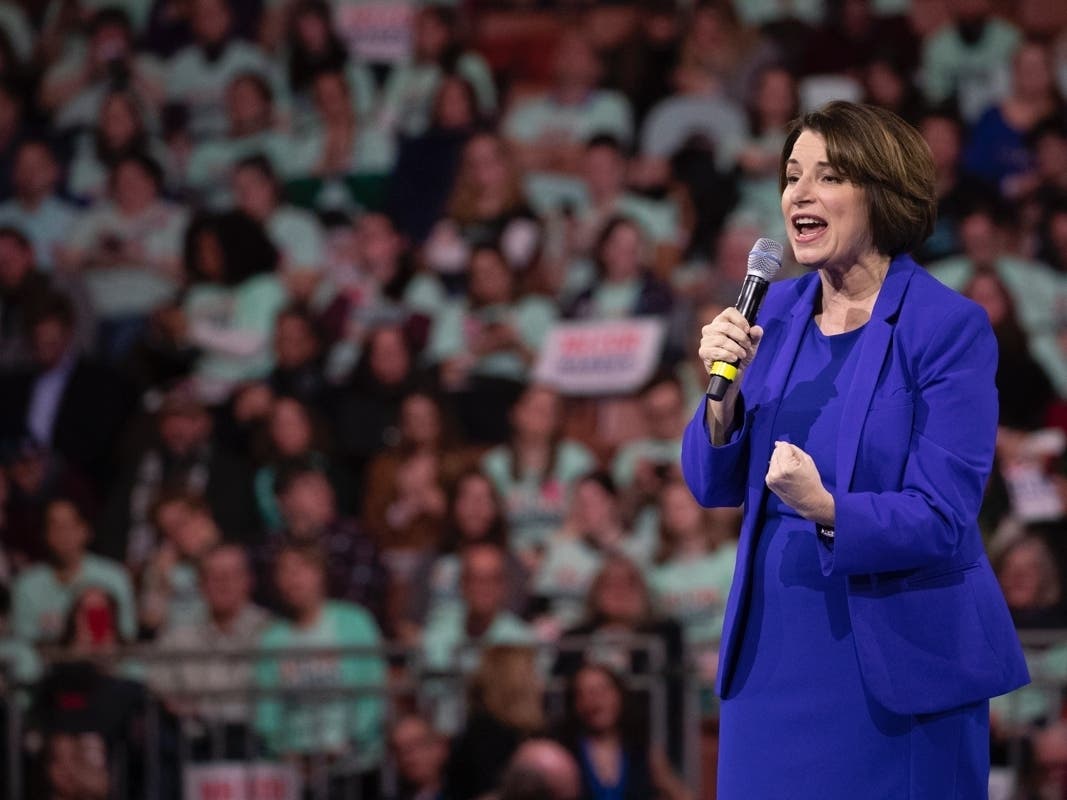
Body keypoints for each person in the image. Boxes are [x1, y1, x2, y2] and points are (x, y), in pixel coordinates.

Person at [682, 100, 1029, 797]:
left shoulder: (946, 327)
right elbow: (711, 484)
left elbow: (942, 514)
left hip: (897, 665)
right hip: (771, 656)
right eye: (790, 176)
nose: (799, 195)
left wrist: (826, 506)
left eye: (828, 176)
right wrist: (720, 396)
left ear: (881, 193)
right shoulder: (769, 313)